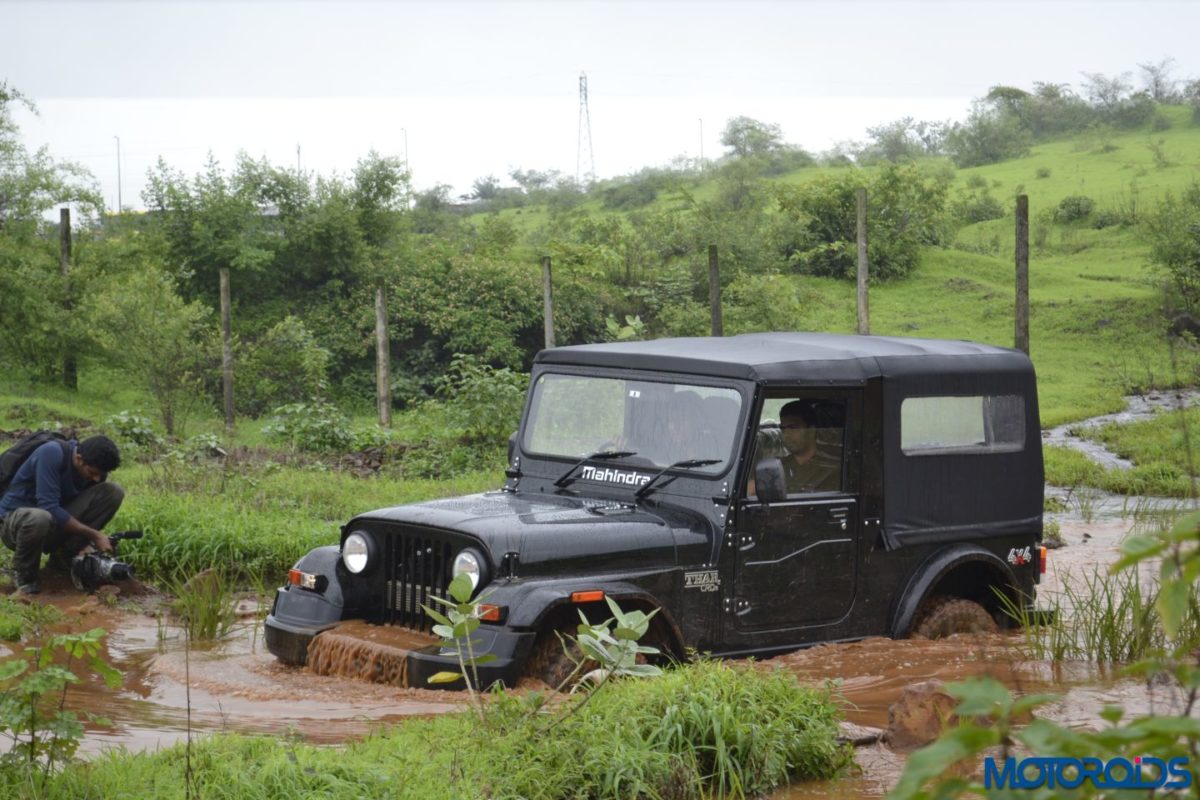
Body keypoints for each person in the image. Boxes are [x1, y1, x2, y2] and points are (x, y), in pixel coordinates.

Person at [0, 435, 123, 595]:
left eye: (101, 474)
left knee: (114, 492)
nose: (97, 478)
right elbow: (49, 507)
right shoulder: (51, 453)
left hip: (52, 522)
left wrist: (85, 543)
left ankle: (62, 559)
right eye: (92, 472)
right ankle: (25, 577)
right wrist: (94, 535)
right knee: (40, 517)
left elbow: (72, 511)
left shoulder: (95, 471)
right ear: (79, 458)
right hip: (16, 523)